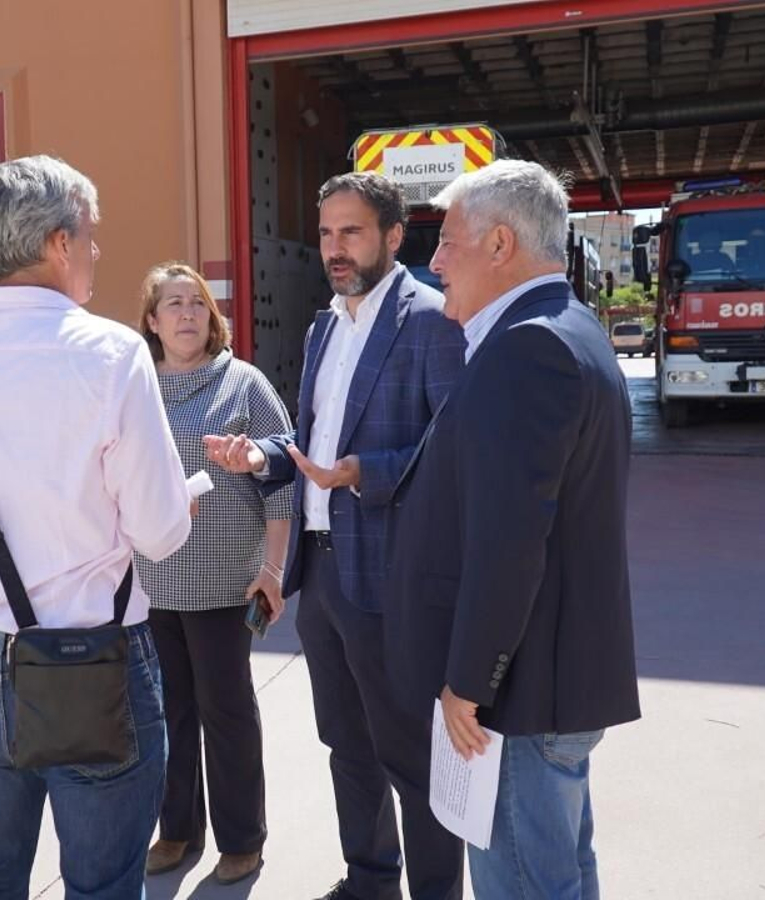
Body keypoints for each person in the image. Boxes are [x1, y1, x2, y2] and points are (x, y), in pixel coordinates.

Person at [0, 156, 193, 899]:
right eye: (89, 238)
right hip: (95, 664)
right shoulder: (114, 352)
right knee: (101, 884)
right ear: (59, 243)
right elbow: (159, 533)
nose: (95, 253)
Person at [205, 171, 467, 900]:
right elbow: (312, 438)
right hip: (321, 579)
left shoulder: (431, 321)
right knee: (346, 746)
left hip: (390, 577)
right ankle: (371, 879)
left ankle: (436, 892)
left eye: (351, 232)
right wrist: (262, 454)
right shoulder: (325, 324)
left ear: (392, 235)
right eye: (325, 233)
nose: (334, 249)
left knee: (411, 757)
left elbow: (455, 449)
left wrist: (364, 473)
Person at [388, 159, 641, 900]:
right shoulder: (570, 330)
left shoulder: (526, 350)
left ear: (500, 244)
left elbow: (509, 542)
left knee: (526, 883)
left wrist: (469, 681)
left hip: (519, 694)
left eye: (447, 242)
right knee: (558, 872)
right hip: (548, 681)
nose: (432, 262)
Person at [133, 262, 293, 885]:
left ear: (212, 317)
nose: (187, 314)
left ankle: (242, 837)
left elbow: (283, 478)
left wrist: (272, 567)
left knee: (225, 710)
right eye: (173, 304)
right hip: (153, 582)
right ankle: (176, 830)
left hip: (227, 581)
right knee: (167, 712)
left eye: (197, 303)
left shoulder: (244, 383)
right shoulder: (137, 385)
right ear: (152, 320)